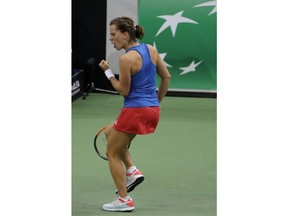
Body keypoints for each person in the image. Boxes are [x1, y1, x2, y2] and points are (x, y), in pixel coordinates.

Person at [99, 16, 171, 212]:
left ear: (125, 34)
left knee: (112, 153)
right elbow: (166, 77)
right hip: (151, 110)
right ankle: (132, 170)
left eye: (113, 34)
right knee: (109, 133)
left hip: (134, 110)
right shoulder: (151, 50)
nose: (111, 39)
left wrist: (107, 72)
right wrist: (157, 102)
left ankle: (124, 200)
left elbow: (123, 91)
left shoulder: (126, 58)